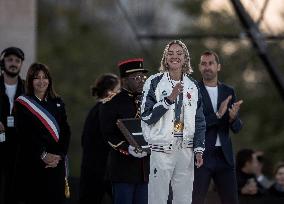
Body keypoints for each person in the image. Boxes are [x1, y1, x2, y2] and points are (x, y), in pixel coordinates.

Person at [141, 40, 206, 204]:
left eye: (179, 53)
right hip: (161, 148)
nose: (174, 57)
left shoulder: (193, 85)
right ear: (165, 58)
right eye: (170, 53)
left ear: (185, 59)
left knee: (184, 199)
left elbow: (199, 120)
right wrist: (169, 99)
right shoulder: (154, 82)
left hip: (186, 149)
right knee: (158, 198)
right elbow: (147, 116)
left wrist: (199, 148)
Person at [14, 63, 71, 204]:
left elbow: (65, 131)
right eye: (36, 78)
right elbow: (25, 134)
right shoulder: (22, 103)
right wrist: (43, 155)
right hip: (33, 164)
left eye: (44, 77)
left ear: (49, 80)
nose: (41, 81)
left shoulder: (58, 102)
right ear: (30, 81)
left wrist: (59, 155)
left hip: (55, 164)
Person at [192, 50, 243, 204]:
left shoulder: (229, 91)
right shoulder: (192, 91)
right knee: (195, 200)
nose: (207, 67)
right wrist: (218, 115)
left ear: (218, 66)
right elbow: (193, 125)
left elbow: (237, 128)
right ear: (200, 67)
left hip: (225, 157)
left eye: (211, 63)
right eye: (204, 64)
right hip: (201, 156)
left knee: (231, 200)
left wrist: (233, 118)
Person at [99, 58, 149, 204]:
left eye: (143, 77)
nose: (141, 81)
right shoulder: (111, 104)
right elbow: (107, 135)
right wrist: (128, 148)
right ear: (125, 80)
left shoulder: (149, 100)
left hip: (145, 171)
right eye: (137, 78)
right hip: (123, 171)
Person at [79, 73, 120, 204]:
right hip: (101, 171)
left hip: (92, 170)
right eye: (118, 90)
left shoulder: (95, 110)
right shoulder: (104, 111)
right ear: (109, 92)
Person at [0, 47, 25, 204]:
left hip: (19, 146)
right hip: (0, 140)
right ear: (3, 62)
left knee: (15, 186)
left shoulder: (27, 89)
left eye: (17, 61)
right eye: (10, 60)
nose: (13, 63)